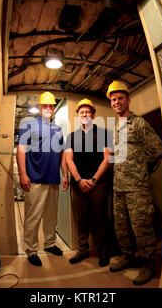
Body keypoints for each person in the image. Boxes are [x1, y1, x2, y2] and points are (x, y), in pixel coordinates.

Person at [106, 80, 162, 285]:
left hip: (137, 188)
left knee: (142, 227)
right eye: (113, 99)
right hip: (119, 188)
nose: (116, 102)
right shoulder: (115, 126)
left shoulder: (139, 123)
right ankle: (128, 256)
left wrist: (142, 170)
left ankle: (149, 264)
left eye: (120, 98)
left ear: (128, 100)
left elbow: (157, 150)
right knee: (121, 227)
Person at [17, 91, 69, 266]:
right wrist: (23, 174)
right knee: (33, 217)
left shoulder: (57, 129)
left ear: (53, 109)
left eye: (51, 105)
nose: (48, 108)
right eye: (45, 105)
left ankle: (49, 244)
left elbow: (61, 154)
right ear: (40, 108)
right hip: (35, 179)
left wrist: (65, 175)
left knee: (51, 217)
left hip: (53, 178)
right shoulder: (29, 125)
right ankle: (31, 250)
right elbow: (21, 150)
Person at [65, 98, 115, 267]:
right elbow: (69, 159)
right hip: (78, 185)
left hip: (99, 184)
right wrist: (79, 180)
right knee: (81, 219)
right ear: (78, 116)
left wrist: (93, 180)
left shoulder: (104, 134)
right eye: (81, 112)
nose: (85, 114)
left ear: (93, 115)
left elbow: (107, 159)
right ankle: (82, 250)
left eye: (88, 111)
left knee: (101, 219)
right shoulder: (71, 137)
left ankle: (104, 251)